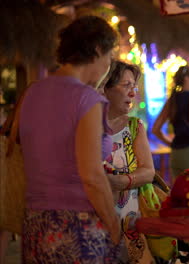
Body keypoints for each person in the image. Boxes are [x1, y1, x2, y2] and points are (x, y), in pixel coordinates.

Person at [19, 16, 120, 263]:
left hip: (35, 224)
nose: (109, 65)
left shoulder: (32, 93)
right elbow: (92, 176)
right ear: (97, 50)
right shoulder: (86, 99)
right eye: (109, 57)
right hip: (78, 225)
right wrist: (114, 224)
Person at [102, 60, 156, 263]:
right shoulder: (88, 128)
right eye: (126, 86)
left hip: (130, 223)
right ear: (105, 87)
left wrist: (122, 182)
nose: (133, 93)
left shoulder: (134, 127)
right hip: (96, 225)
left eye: (133, 87)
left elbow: (148, 172)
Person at [152, 65, 189, 182]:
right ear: (186, 78)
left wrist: (171, 144)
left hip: (176, 154)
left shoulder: (172, 100)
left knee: (180, 193)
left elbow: (155, 129)